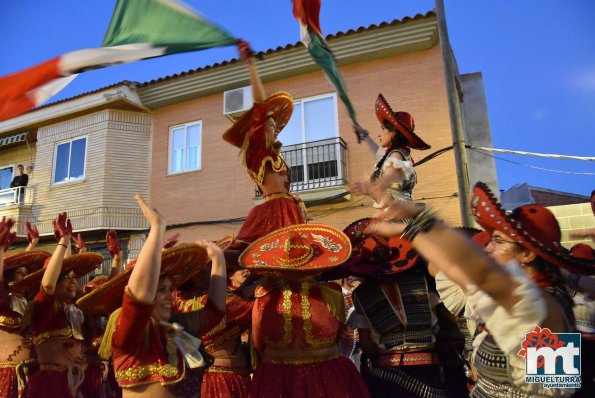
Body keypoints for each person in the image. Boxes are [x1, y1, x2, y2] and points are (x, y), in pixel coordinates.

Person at [368, 182, 595, 397]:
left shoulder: (545, 305)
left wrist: (416, 217)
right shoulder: (511, 297)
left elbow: (554, 387)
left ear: (527, 254)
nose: (489, 249)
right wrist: (408, 229)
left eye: (498, 241)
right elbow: (450, 265)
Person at [98, 195, 228, 397]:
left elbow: (215, 312)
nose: (169, 295)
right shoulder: (127, 331)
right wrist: (156, 229)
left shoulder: (175, 329)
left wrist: (218, 260)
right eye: (161, 289)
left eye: (170, 288)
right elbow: (138, 298)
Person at [239, 223, 371, 398]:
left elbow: (258, 342)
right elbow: (339, 336)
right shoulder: (332, 293)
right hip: (325, 375)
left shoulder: (264, 296)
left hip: (279, 375)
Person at [222, 40, 305, 250]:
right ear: (257, 130)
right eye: (270, 123)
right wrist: (252, 65)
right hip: (274, 212)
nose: (275, 127)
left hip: (288, 210)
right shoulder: (257, 150)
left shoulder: (274, 154)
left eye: (276, 124)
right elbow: (259, 104)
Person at [23, 212, 104, 398]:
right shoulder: (45, 309)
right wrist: (64, 241)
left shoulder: (77, 311)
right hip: (53, 385)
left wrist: (117, 258)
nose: (73, 282)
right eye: (65, 278)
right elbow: (48, 285)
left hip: (82, 381)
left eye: (74, 278)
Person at [348, 94, 430, 211]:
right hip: (394, 216)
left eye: (383, 129)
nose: (379, 134)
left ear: (394, 133)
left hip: (400, 219)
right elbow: (378, 154)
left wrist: (369, 187)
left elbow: (386, 180)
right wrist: (363, 134)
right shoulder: (394, 154)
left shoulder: (397, 155)